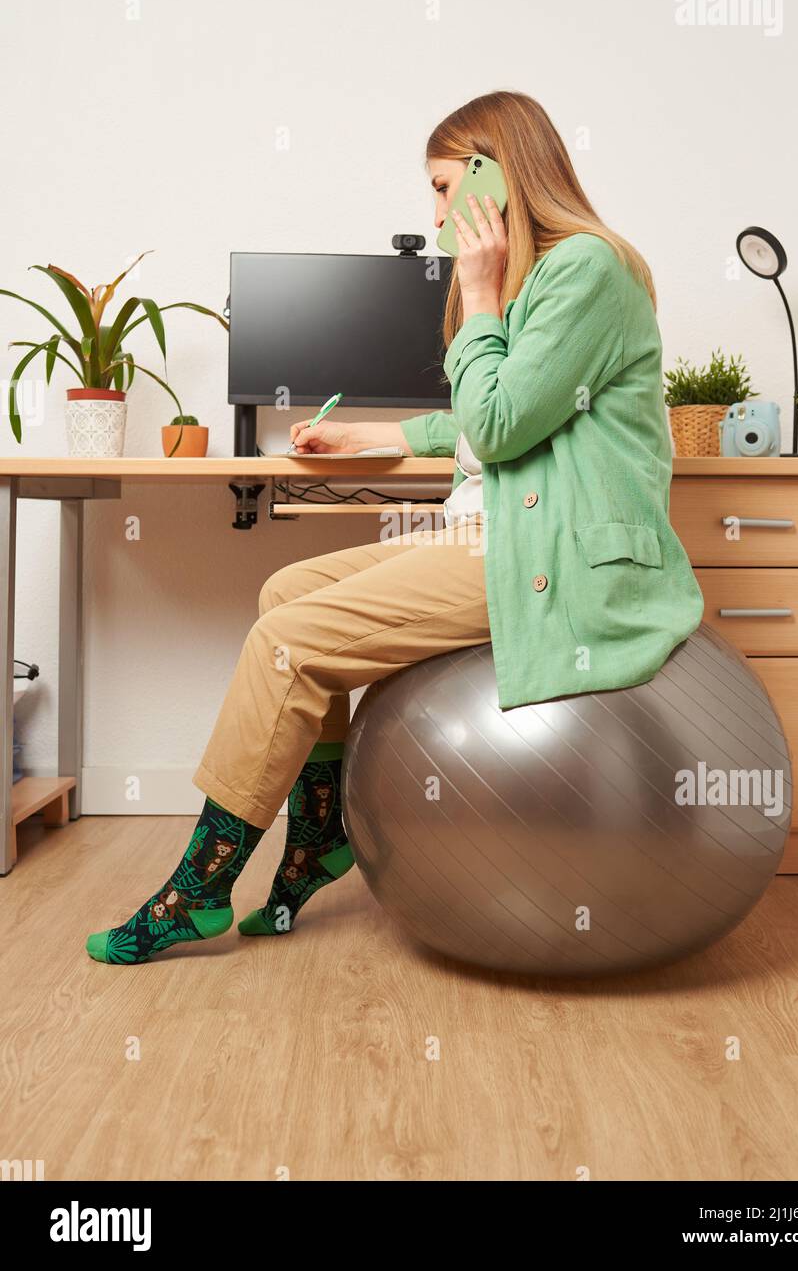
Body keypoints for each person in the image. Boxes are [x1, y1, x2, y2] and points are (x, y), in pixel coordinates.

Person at [86, 89, 703, 965]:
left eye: (447, 188)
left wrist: (480, 292)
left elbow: (496, 424)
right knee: (283, 590)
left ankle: (201, 886)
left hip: (553, 556)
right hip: (494, 536)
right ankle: (318, 835)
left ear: (502, 175)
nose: (441, 213)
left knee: (286, 643)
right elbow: (503, 420)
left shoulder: (586, 271)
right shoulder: (542, 284)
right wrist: (369, 436)